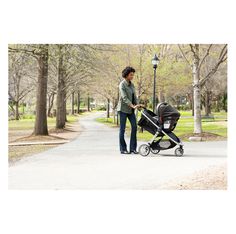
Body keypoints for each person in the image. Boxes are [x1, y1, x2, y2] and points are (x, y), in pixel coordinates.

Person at [117, 66, 142, 155]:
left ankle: (132, 149)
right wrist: (132, 105)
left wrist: (138, 104)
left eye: (133, 75)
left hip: (131, 110)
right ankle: (123, 149)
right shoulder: (122, 84)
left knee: (134, 127)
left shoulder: (132, 85)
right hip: (123, 109)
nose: (132, 76)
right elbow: (124, 98)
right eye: (131, 75)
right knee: (122, 129)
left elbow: (134, 96)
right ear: (126, 75)